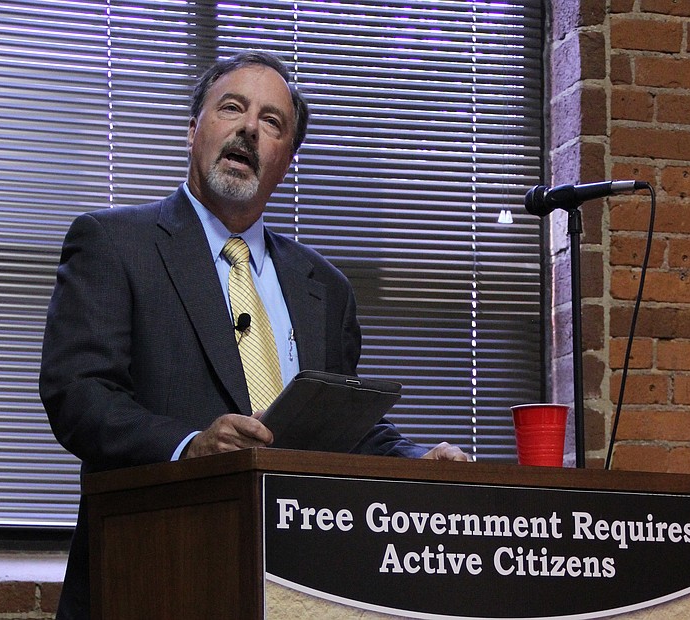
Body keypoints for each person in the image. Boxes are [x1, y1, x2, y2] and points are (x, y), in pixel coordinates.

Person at [40, 51, 469, 619]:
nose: (248, 128)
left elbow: (343, 430)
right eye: (232, 108)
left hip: (297, 587)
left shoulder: (326, 288)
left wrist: (418, 460)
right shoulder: (114, 244)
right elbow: (80, 395)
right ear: (194, 130)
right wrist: (190, 446)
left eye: (272, 122)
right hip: (154, 572)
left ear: (286, 159)